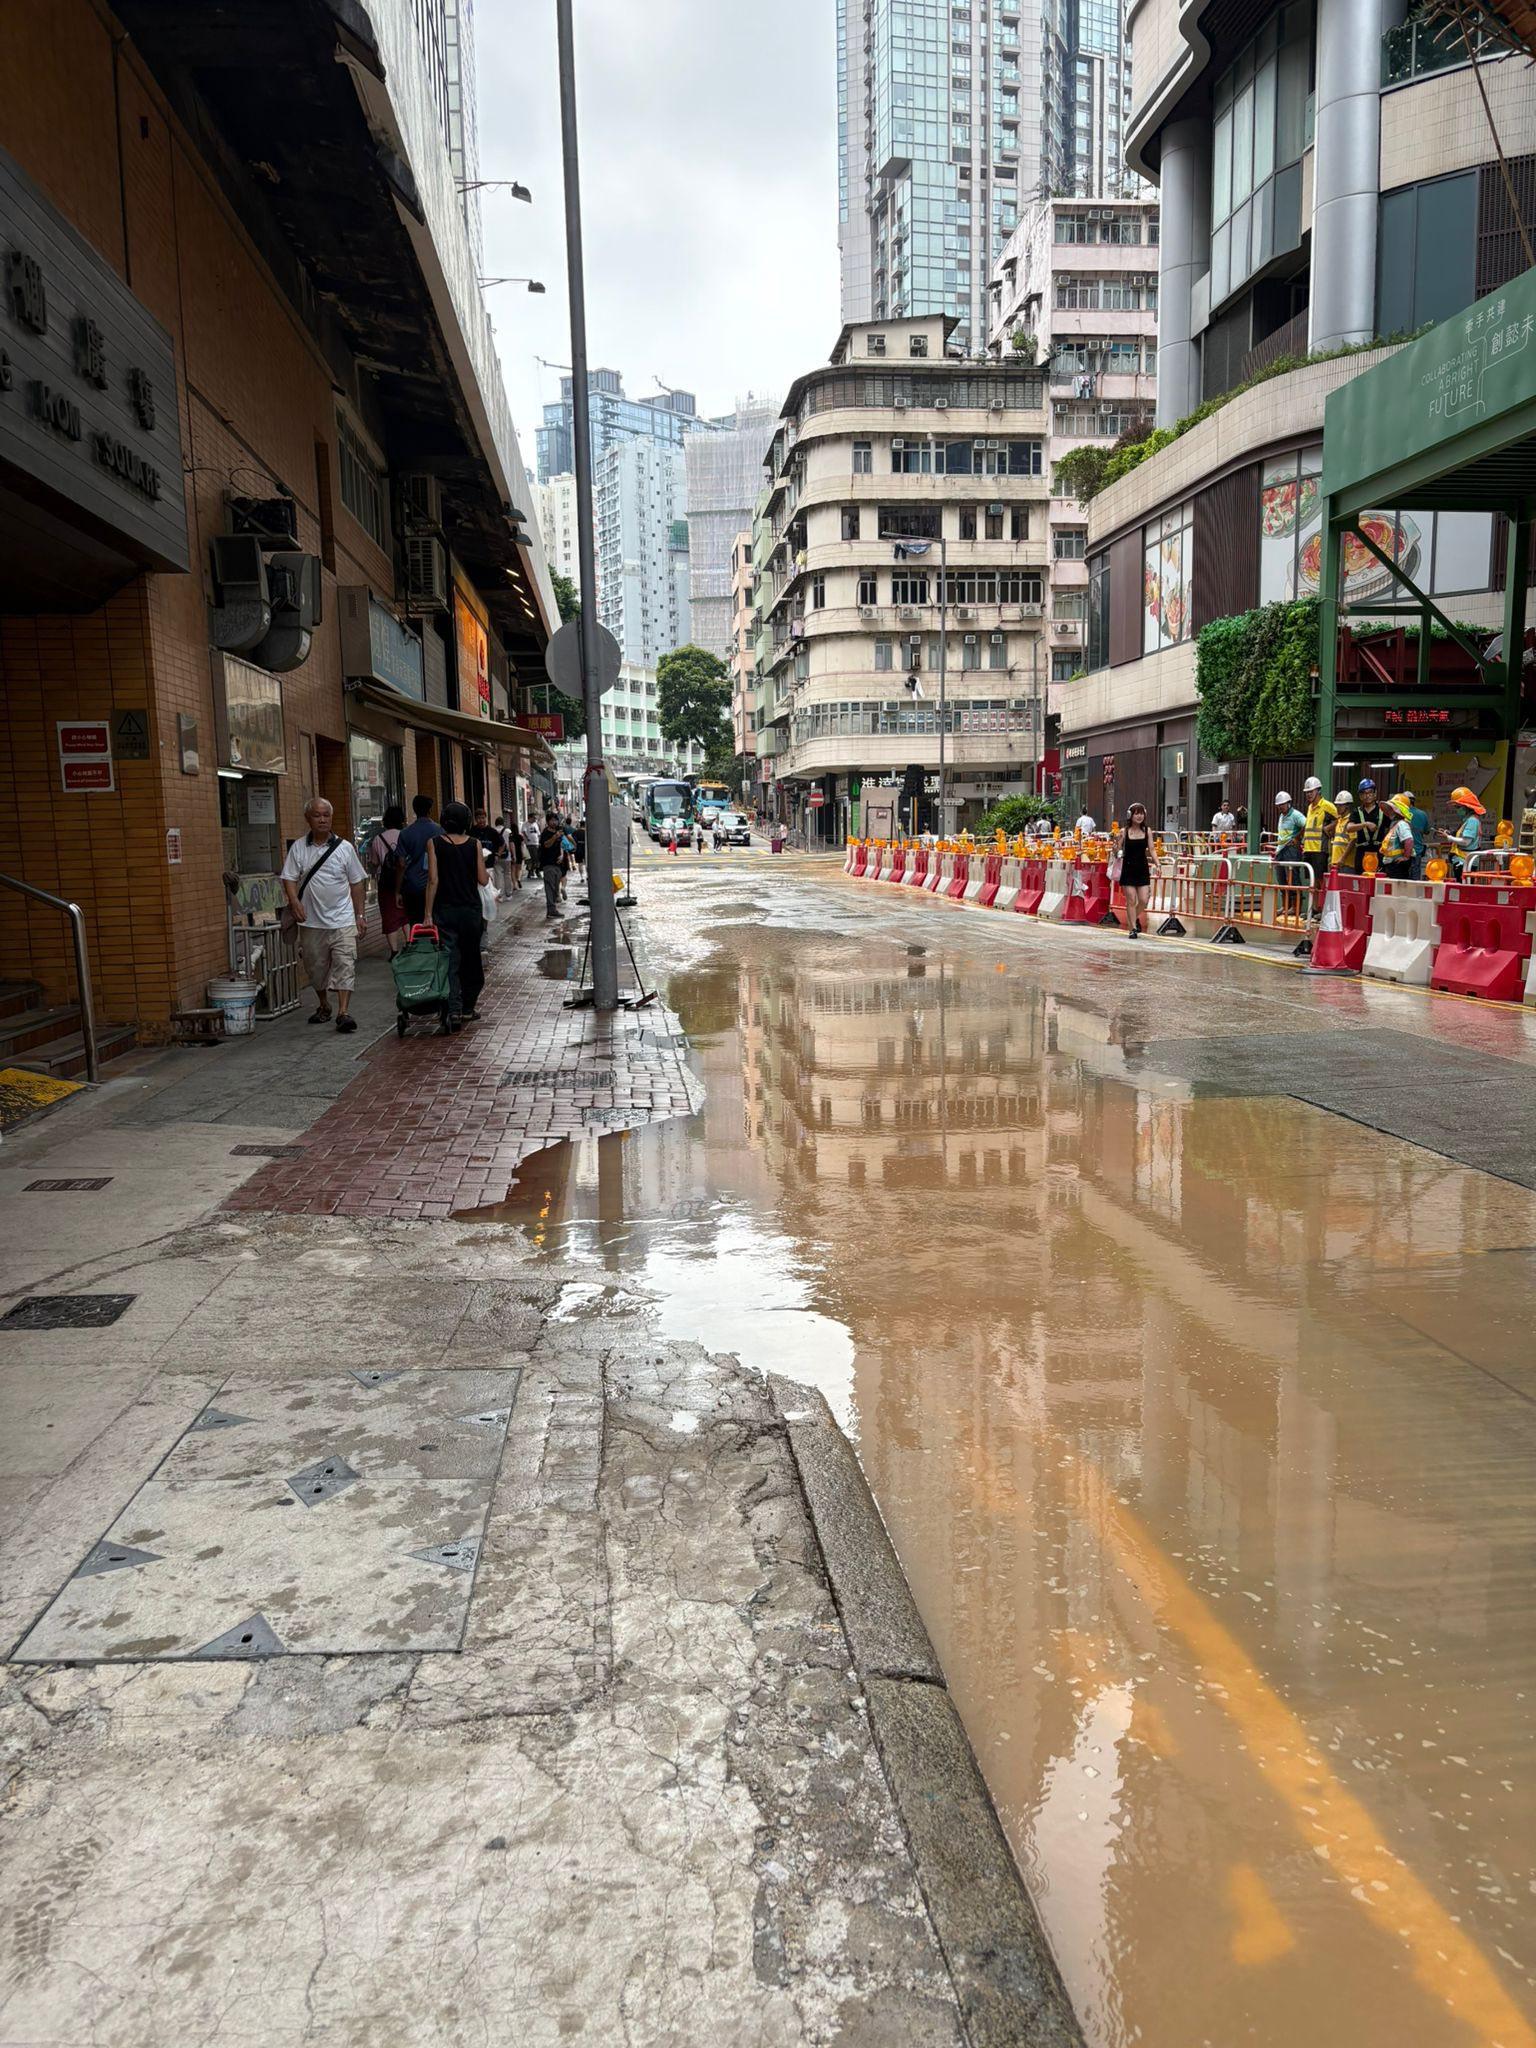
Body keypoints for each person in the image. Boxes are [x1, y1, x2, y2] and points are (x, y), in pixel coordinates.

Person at [280, 797, 367, 1034]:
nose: (322, 819)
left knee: (345, 963)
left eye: (326, 815)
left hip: (342, 919)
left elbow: (357, 883)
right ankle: (323, 1004)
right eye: (317, 815)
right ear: (308, 819)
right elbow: (288, 877)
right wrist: (294, 901)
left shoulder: (345, 848)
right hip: (311, 921)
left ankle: (343, 1013)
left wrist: (360, 915)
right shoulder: (299, 848)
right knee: (315, 968)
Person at [424, 800, 488, 1028]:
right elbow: (483, 879)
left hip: (444, 911)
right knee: (471, 959)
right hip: (470, 911)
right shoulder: (475, 844)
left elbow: (433, 880)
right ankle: (469, 1007)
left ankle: (453, 1010)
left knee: (450, 961)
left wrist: (428, 914)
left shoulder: (433, 843)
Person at [366, 803, 409, 956]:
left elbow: (375, 862)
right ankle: (410, 943)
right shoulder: (405, 835)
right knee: (405, 915)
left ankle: (394, 951)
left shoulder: (378, 839)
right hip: (405, 880)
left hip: (386, 882)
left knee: (389, 915)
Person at [396, 794, 443, 928]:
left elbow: (401, 863)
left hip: (413, 886)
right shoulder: (440, 831)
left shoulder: (405, 833)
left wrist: (397, 891)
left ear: (414, 810)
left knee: (415, 924)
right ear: (430, 810)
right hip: (436, 886)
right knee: (436, 925)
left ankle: (418, 947)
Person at [1116, 801, 1154, 938]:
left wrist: (1158, 864)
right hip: (1128, 868)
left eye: (1141, 814)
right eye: (1136, 814)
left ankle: (1133, 917)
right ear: (1130, 816)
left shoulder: (1147, 831)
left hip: (1142, 868)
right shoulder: (1124, 832)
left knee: (1144, 899)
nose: (1139, 817)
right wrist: (1116, 843)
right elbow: (1117, 850)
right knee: (1131, 899)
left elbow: (1152, 849)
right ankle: (1132, 928)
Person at [1300, 777, 1338, 897]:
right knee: (1312, 880)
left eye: (1311, 791)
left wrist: (1328, 828)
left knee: (1320, 880)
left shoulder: (1327, 806)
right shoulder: (1310, 807)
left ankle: (1321, 909)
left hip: (1320, 849)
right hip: (1308, 849)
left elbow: (1339, 819)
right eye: (1307, 792)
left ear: (1318, 791)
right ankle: (1314, 909)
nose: (1309, 794)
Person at [1443, 784, 1486, 876]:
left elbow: (1466, 842)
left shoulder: (1472, 821)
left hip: (1465, 862)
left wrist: (1450, 838)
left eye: (1458, 807)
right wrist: (1451, 834)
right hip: (1464, 861)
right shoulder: (1469, 820)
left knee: (1464, 887)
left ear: (1466, 807)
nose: (1457, 810)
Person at [1349, 777, 1389, 872]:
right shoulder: (1357, 812)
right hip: (1362, 853)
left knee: (1378, 881)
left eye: (1370, 792)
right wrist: (1365, 824)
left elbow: (1390, 829)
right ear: (1360, 796)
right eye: (1364, 793)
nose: (1367, 796)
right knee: (1360, 881)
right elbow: (1349, 827)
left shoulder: (1383, 810)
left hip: (1379, 852)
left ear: (1375, 793)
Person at [1380, 794, 1417, 879]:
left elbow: (1409, 840)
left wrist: (1406, 857)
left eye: (1391, 808)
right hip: (1392, 865)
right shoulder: (1395, 824)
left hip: (1398, 866)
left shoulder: (1402, 824)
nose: (1389, 810)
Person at [471, 808, 504, 898]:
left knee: (489, 889)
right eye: (478, 818)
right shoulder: (471, 831)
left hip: (489, 865)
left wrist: (498, 854)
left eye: (483, 818)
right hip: (475, 865)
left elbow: (502, 844)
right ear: (475, 819)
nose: (481, 820)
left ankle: (491, 907)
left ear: (486, 818)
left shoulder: (492, 831)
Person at [538, 810, 566, 917]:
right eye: (552, 820)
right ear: (548, 822)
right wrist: (554, 837)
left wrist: (562, 855)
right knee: (550, 887)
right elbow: (546, 845)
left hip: (557, 863)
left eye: (556, 820)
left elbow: (561, 845)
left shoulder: (558, 832)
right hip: (548, 863)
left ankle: (552, 908)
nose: (554, 822)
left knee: (555, 888)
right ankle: (551, 909)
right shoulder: (546, 833)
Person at [1273, 790, 1307, 871]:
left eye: (1282, 804)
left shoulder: (1296, 815)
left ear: (1288, 803)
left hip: (1291, 850)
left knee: (1293, 878)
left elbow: (1307, 825)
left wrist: (1297, 837)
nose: (1280, 807)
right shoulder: (1281, 816)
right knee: (1281, 879)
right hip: (1280, 850)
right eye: (1278, 805)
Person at [1407, 793, 1430, 879]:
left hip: (1402, 853)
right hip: (1417, 851)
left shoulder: (1401, 813)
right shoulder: (1422, 814)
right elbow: (1427, 831)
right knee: (1415, 879)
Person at [1332, 789, 1356, 870]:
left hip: (1346, 864)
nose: (1337, 807)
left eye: (1340, 805)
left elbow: (1353, 840)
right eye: (1337, 805)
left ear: (1347, 806)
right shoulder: (1339, 820)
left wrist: (1342, 858)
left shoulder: (1351, 820)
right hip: (1336, 863)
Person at [523, 814, 542, 880]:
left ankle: (537, 870)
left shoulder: (536, 824)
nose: (535, 819)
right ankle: (530, 871)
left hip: (536, 843)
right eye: (534, 818)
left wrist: (539, 841)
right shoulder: (525, 824)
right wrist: (527, 838)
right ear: (530, 818)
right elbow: (524, 831)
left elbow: (538, 833)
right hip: (529, 844)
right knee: (530, 859)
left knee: (536, 858)